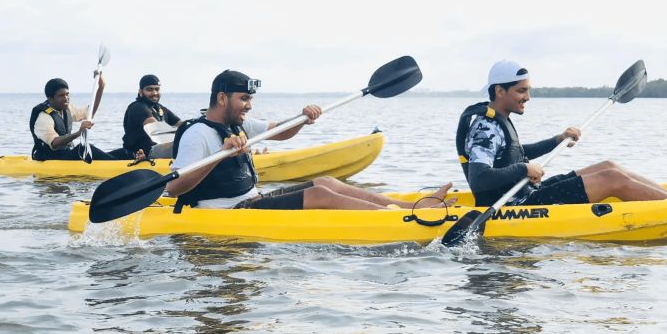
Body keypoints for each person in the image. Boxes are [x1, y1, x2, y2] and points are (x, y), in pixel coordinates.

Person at [165, 69, 455, 211]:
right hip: (225, 212)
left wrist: (303, 118)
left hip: (251, 200)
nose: (249, 105)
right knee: (320, 196)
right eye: (244, 99)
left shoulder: (238, 124)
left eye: (250, 99)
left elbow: (280, 131)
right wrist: (217, 160)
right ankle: (398, 220)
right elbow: (175, 189)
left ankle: (406, 207)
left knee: (326, 182)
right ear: (221, 98)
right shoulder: (197, 134)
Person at [456, 60, 667, 207]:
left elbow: (512, 155)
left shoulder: (498, 120)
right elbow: (481, 180)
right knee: (611, 179)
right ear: (499, 91)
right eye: (521, 91)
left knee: (608, 166)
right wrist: (524, 168)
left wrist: (555, 140)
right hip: (515, 205)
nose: (528, 97)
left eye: (527, 89)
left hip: (526, 191)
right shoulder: (485, 127)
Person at [29, 74, 117, 161]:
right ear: (50, 99)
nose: (66, 98)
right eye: (61, 96)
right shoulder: (44, 117)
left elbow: (90, 113)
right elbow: (54, 143)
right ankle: (118, 166)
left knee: (121, 152)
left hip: (66, 153)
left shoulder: (67, 108)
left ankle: (122, 161)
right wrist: (79, 132)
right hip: (50, 158)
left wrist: (101, 87)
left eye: (67, 94)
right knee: (84, 148)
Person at [119, 74, 183, 160]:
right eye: (149, 89)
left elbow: (182, 125)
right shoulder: (138, 107)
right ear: (140, 91)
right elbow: (159, 131)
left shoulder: (160, 108)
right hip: (140, 156)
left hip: (156, 153)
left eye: (157, 89)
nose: (154, 93)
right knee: (180, 143)